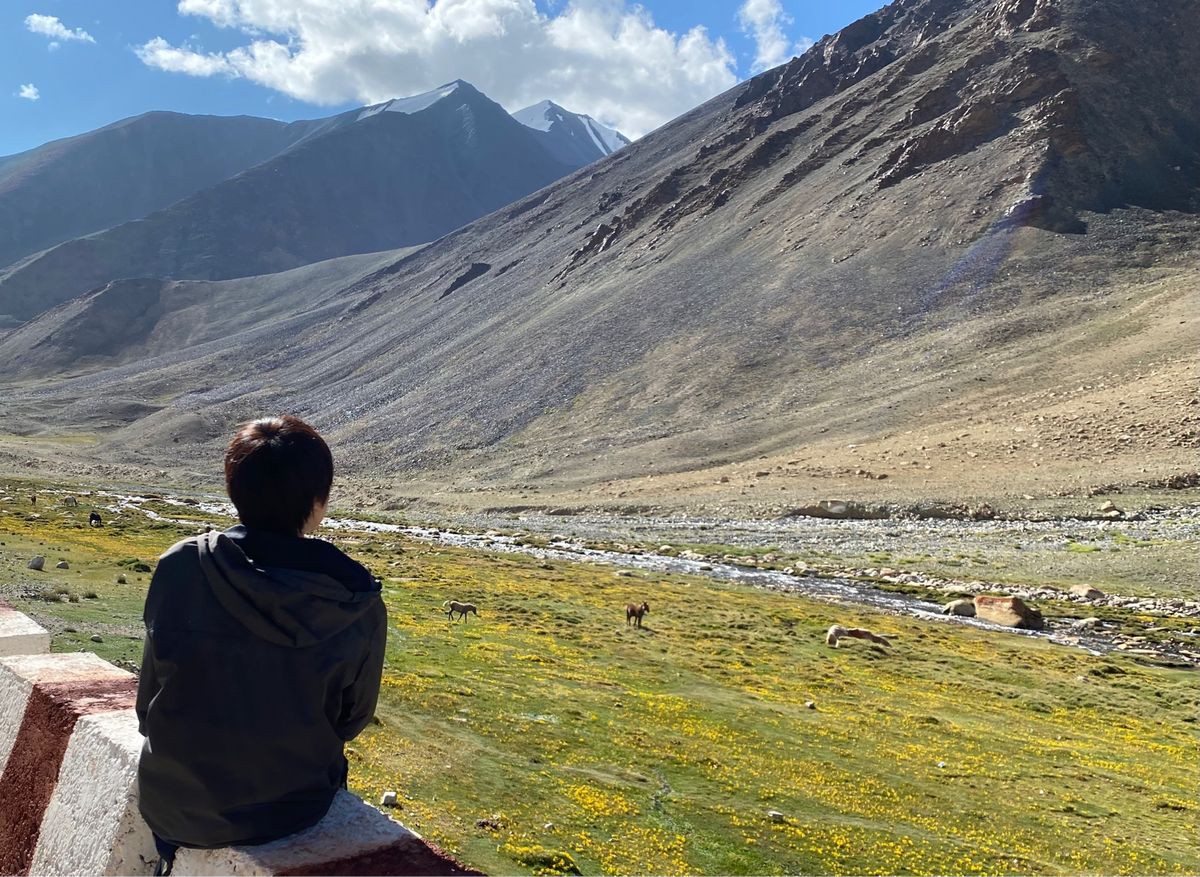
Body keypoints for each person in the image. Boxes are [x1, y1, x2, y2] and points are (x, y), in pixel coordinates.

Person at [135, 416, 387, 876]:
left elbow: (147, 704)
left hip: (173, 807)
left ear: (235, 489)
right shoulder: (355, 599)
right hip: (290, 813)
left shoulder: (181, 567)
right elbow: (351, 720)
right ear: (318, 501)